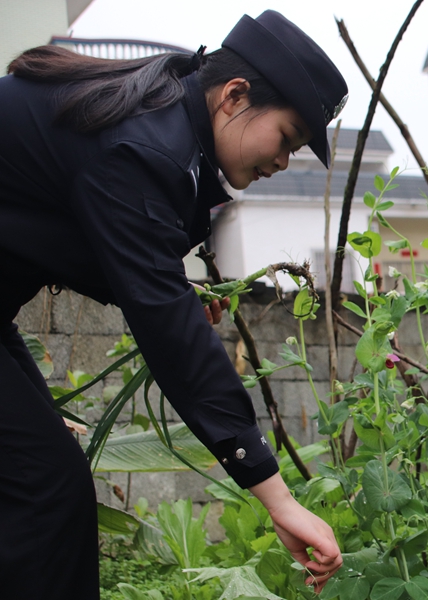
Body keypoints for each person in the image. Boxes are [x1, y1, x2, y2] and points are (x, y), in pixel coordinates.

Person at [0, 10, 348, 598]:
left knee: (41, 470)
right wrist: (276, 495)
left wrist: (172, 290)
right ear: (235, 96)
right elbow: (173, 340)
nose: (283, 161)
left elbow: (67, 233)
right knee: (46, 485)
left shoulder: (160, 117)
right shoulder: (145, 148)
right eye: (286, 138)